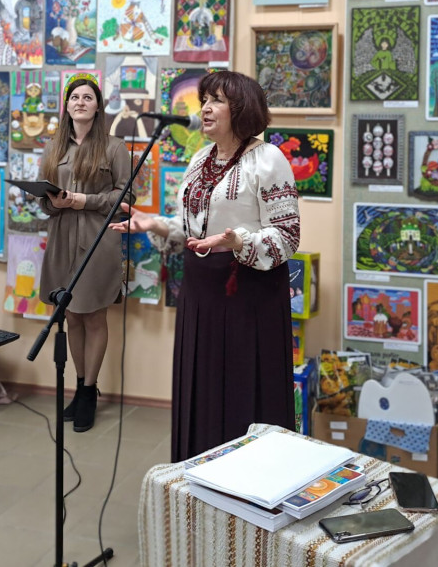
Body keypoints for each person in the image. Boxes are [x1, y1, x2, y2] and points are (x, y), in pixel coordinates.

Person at [113, 70, 300, 462]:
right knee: (202, 384)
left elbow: (287, 236)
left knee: (244, 388)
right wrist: (154, 224)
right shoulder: (201, 159)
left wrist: (239, 242)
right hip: (201, 289)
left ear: (241, 108)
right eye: (205, 100)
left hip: (248, 291)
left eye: (217, 100)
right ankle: (200, 471)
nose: (206, 109)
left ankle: (248, 478)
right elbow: (194, 228)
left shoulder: (267, 158)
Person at [39, 76, 130, 433]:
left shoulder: (114, 147)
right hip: (61, 239)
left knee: (93, 316)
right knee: (71, 316)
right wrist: (53, 201)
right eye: (74, 97)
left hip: (98, 240)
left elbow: (126, 197)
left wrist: (83, 201)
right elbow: (45, 201)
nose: (80, 102)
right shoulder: (52, 148)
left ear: (97, 106)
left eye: (87, 97)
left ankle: (90, 390)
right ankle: (79, 386)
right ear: (66, 105)